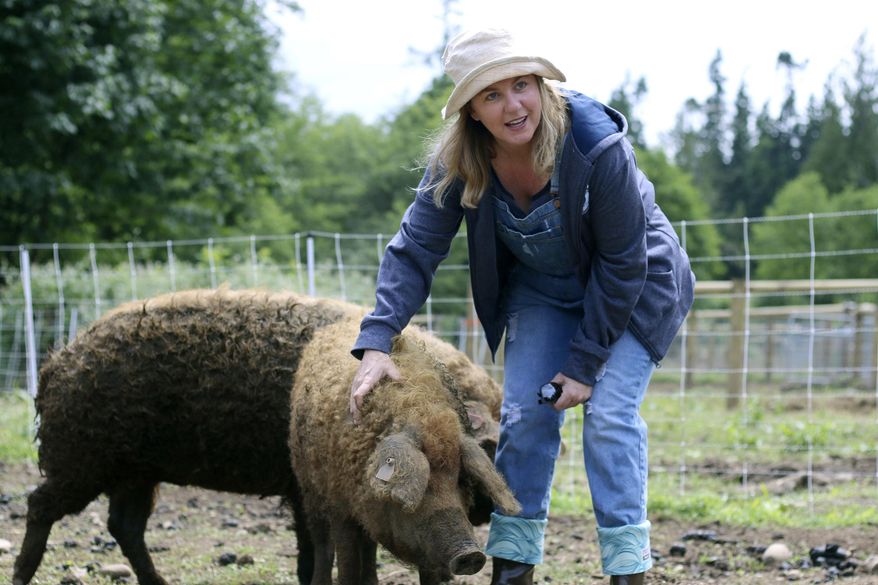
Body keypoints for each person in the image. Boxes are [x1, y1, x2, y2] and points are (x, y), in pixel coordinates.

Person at [349, 27, 695, 585]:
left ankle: (628, 572)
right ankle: (513, 569)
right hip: (544, 290)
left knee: (607, 417)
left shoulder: (595, 147)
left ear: (541, 85)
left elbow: (624, 262)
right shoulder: (459, 163)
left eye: (522, 85)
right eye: (492, 95)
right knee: (524, 418)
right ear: (471, 113)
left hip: (634, 289)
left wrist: (584, 366)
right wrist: (377, 337)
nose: (513, 105)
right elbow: (415, 247)